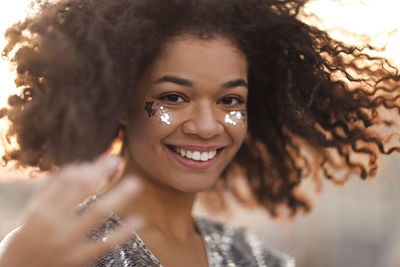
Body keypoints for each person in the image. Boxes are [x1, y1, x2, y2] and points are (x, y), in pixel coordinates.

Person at [0, 0, 399, 266]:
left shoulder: (257, 258)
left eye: (230, 101)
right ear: (120, 102)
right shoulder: (52, 251)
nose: (208, 126)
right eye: (174, 97)